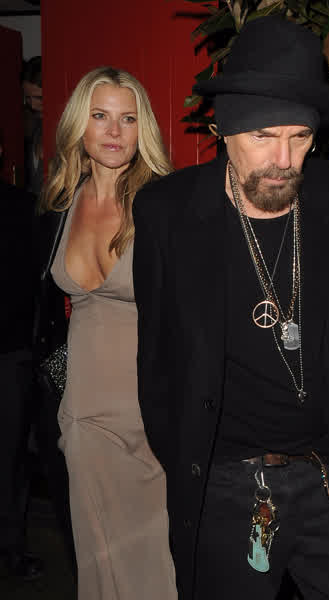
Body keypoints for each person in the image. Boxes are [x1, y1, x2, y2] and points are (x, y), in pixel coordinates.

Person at [132, 16, 329, 600]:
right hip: (225, 483)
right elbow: (156, 359)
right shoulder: (165, 212)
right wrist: (188, 463)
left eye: (300, 137)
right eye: (262, 136)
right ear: (223, 130)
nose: (283, 158)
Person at [35, 66, 177, 600]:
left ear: (144, 130)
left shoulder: (165, 205)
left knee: (159, 565)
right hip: (82, 416)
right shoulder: (58, 205)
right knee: (99, 563)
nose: (114, 131)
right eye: (100, 116)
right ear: (80, 125)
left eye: (128, 119)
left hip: (152, 416)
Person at [0, 141, 44, 581]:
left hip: (12, 354)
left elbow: (39, 286)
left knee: (11, 458)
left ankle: (13, 548)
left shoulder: (24, 208)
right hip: (14, 353)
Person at [22, 56, 43, 196]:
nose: (33, 105)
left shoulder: (68, 130)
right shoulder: (36, 128)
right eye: (28, 98)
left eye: (39, 98)